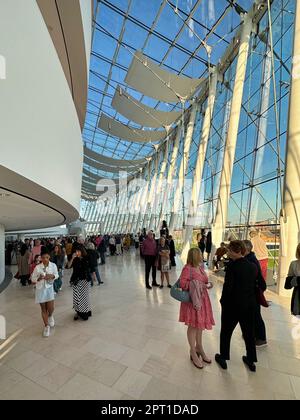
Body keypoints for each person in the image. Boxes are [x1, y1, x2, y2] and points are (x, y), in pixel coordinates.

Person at [215, 240, 258, 372]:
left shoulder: (232, 267)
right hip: (248, 305)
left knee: (226, 332)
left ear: (236, 251)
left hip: (232, 306)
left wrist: (222, 302)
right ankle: (251, 360)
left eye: (229, 250)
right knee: (249, 333)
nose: (228, 252)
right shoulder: (252, 266)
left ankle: (223, 357)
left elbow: (228, 288)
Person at [179, 248, 215, 369]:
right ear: (195, 255)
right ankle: (193, 351)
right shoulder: (187, 268)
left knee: (200, 326)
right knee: (193, 326)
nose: (202, 255)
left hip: (202, 300)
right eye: (200, 254)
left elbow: (203, 281)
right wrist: (199, 285)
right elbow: (183, 285)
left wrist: (207, 285)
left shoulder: (199, 267)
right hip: (192, 302)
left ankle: (200, 347)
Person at [244, 240, 267, 347]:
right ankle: (253, 334)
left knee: (256, 315)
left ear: (246, 249)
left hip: (254, 291)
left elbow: (253, 278)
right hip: (253, 291)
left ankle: (261, 338)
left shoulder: (251, 261)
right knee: (252, 314)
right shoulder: (250, 259)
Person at [31, 249, 58, 337]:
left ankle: (50, 315)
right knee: (43, 309)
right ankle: (46, 326)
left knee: (51, 307)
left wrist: (52, 276)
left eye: (46, 257)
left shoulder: (53, 265)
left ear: (49, 257)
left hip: (49, 289)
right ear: (40, 258)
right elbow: (32, 279)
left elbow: (57, 275)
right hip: (40, 289)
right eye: (43, 258)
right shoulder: (37, 267)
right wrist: (38, 279)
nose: (45, 259)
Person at [68, 245, 92, 321]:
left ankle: (85, 311)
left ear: (82, 251)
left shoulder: (87, 258)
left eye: (78, 251)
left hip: (85, 280)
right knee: (77, 297)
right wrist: (72, 258)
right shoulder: (74, 259)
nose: (77, 253)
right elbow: (68, 266)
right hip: (76, 281)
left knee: (84, 297)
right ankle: (78, 312)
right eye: (76, 251)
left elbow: (91, 267)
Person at [285, 243, 300, 316]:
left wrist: (296, 280)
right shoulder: (294, 264)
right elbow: (287, 284)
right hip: (297, 298)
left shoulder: (294, 264)